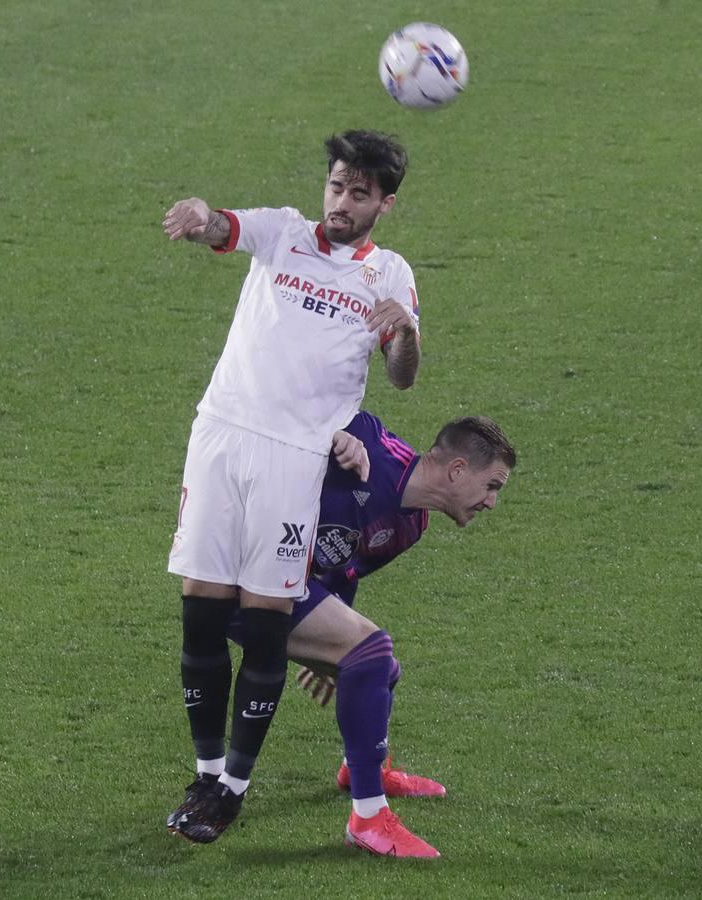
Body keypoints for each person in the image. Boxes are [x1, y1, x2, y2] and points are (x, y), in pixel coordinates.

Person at [162, 131, 422, 844]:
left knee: (267, 620)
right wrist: (198, 215)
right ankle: (205, 772)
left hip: (295, 459)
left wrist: (403, 332)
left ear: (384, 204)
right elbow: (224, 226)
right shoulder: (283, 232)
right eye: (336, 186)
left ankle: (233, 790)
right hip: (219, 435)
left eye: (359, 194)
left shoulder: (389, 274)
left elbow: (401, 374)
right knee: (202, 613)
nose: (341, 203)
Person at [231, 411, 517, 858]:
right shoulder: (368, 441)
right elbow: (287, 409)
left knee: (380, 668)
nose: (492, 502)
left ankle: (362, 769)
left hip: (286, 588)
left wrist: (328, 641)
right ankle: (368, 818)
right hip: (237, 575)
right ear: (458, 470)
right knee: (372, 653)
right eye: (492, 486)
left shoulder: (411, 525)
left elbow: (341, 568)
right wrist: (331, 433)